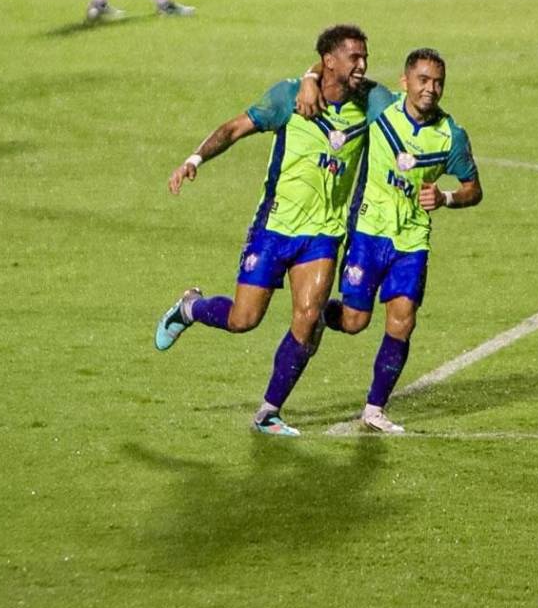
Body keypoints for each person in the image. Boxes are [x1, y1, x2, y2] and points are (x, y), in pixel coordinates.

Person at [154, 25, 396, 436]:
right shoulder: (288, 98)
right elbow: (233, 128)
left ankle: (268, 411)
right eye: (354, 57)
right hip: (274, 227)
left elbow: (408, 117)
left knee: (306, 317)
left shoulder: (370, 100)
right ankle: (190, 307)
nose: (363, 65)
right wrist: (194, 160)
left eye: (365, 57)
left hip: (323, 233)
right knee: (243, 319)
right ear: (329, 60)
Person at [308, 48, 481, 434]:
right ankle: (317, 315)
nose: (430, 89)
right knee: (354, 322)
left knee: (402, 322)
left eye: (438, 83)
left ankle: (374, 409)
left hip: (412, 240)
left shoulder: (451, 135)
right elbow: (333, 71)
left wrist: (447, 198)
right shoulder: (379, 104)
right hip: (369, 230)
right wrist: (307, 79)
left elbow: (474, 189)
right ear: (405, 82)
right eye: (423, 80)